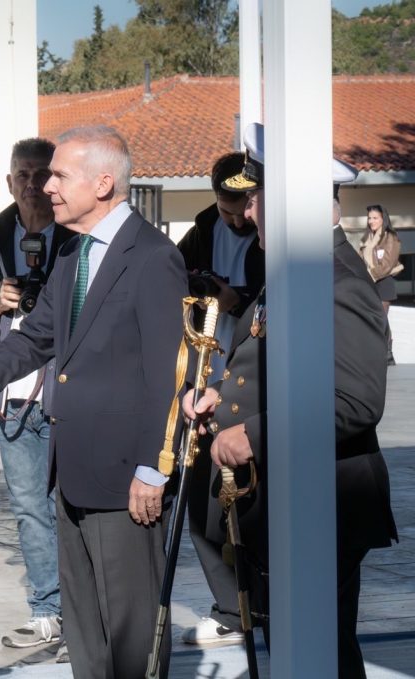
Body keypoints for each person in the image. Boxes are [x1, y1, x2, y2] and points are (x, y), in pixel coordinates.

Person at [0, 126, 186, 679]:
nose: (45, 186)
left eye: (59, 175)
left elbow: (166, 376)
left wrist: (154, 469)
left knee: (131, 638)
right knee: (85, 637)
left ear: (103, 183)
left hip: (127, 481)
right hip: (73, 473)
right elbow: (35, 338)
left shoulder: (152, 258)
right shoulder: (75, 251)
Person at [185, 148, 397, 679]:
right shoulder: (295, 274)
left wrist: (256, 435)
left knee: (321, 652)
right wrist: (220, 400)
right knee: (295, 647)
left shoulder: (339, 282)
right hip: (283, 499)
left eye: (258, 200)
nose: (248, 212)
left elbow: (356, 401)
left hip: (324, 499)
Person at [0, 137, 76, 655]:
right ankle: (47, 611)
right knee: (29, 507)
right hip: (13, 397)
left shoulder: (78, 234)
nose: (31, 186)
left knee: (73, 508)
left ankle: (85, 616)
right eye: (21, 176)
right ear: (10, 182)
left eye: (39, 175)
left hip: (68, 394)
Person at [176, 150, 264, 647]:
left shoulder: (271, 236)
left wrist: (239, 301)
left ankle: (258, 601)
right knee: (200, 500)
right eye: (227, 209)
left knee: (250, 502)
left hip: (251, 378)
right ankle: (229, 606)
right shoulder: (200, 233)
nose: (237, 220)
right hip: (205, 377)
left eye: (243, 208)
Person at [359, 204, 402, 366]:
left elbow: (388, 264)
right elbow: (360, 260)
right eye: (369, 218)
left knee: (381, 318)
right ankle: (378, 351)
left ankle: (388, 353)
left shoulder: (390, 237)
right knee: (373, 318)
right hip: (370, 283)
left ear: (383, 219)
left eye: (375, 218)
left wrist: (370, 275)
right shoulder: (366, 238)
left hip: (383, 282)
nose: (371, 221)